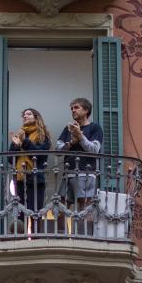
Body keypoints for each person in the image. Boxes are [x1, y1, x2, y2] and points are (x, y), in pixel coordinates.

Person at [56, 98, 103, 234]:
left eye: (76, 107)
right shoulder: (68, 129)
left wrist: (80, 137)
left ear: (86, 110)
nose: (73, 110)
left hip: (86, 173)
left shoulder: (95, 128)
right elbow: (58, 150)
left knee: (85, 205)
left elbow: (94, 149)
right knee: (60, 204)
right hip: (68, 173)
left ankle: (84, 236)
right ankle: (61, 236)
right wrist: (71, 142)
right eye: (72, 108)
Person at [9, 108, 52, 226]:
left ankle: (36, 240)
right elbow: (10, 160)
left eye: (29, 114)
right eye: (24, 115)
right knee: (19, 214)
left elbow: (40, 156)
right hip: (19, 179)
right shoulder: (19, 134)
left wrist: (25, 142)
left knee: (35, 213)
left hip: (36, 179)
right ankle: (18, 241)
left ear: (36, 117)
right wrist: (16, 146)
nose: (25, 116)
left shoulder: (43, 135)